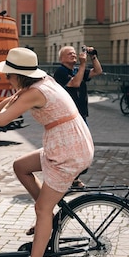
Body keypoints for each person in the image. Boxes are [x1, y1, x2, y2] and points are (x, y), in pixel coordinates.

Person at [0, 47, 94, 257]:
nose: (6, 79)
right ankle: (48, 215)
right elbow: (11, 100)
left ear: (18, 76)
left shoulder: (35, 92)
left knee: (42, 210)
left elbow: (3, 119)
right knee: (20, 166)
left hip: (68, 150)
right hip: (65, 143)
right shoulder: (42, 81)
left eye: (8, 75)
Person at [53, 45, 103, 188]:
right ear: (61, 58)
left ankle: (73, 178)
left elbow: (98, 71)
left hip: (81, 115)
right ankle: (69, 178)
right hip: (68, 117)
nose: (74, 55)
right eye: (70, 54)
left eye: (75, 53)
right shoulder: (60, 72)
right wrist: (82, 64)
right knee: (76, 149)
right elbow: (75, 83)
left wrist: (93, 56)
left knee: (80, 148)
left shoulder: (76, 70)